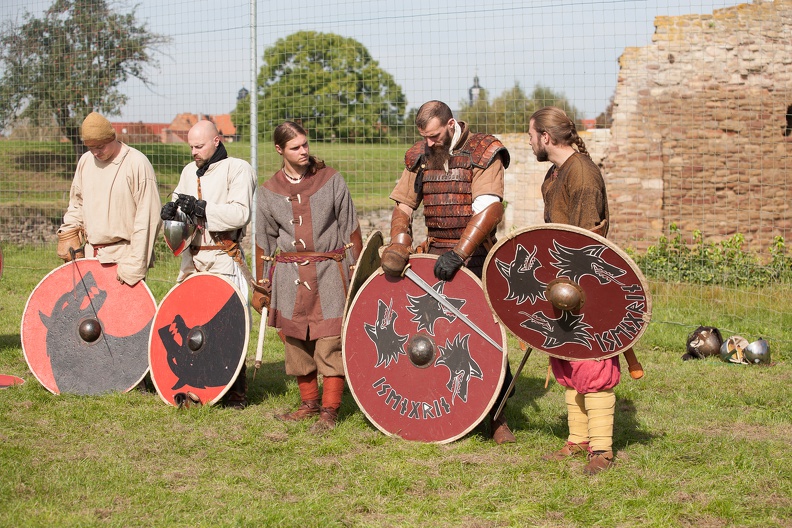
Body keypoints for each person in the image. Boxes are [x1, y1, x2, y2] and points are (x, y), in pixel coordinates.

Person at [380, 100, 516, 445]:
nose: (430, 143)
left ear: (452, 124)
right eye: (425, 137)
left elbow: (489, 209)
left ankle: (496, 418)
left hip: (473, 256)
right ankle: (446, 408)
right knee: (433, 336)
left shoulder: (485, 152)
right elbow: (404, 204)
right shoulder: (420, 155)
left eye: (436, 136)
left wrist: (460, 253)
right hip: (433, 256)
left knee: (484, 338)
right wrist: (399, 243)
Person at [253, 121, 362, 432]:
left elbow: (350, 228)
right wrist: (263, 284)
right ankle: (309, 403)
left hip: (329, 270)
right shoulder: (269, 190)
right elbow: (264, 240)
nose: (303, 151)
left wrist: (355, 269)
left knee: (330, 340)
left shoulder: (331, 180)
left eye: (305, 144)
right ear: (279, 150)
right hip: (288, 274)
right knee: (296, 341)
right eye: (295, 147)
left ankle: (329, 410)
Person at [528, 106, 618, 475]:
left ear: (546, 137)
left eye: (531, 134)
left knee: (591, 365)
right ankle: (578, 440)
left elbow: (585, 244)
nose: (530, 141)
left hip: (585, 286)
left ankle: (602, 449)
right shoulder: (557, 172)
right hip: (563, 285)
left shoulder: (581, 174)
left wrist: (573, 289)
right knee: (567, 361)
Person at [160, 119, 257, 409]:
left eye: (199, 146)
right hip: (194, 258)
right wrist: (171, 211)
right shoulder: (189, 171)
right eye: (190, 146)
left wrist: (202, 208)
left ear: (217, 140)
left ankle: (235, 392)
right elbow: (180, 205)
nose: (193, 152)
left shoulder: (238, 169)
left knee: (228, 326)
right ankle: (198, 378)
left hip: (223, 256)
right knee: (193, 324)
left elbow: (240, 214)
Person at [57, 111, 162, 286]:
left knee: (127, 313)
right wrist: (69, 231)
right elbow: (77, 203)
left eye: (100, 147)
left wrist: (135, 265)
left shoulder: (136, 163)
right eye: (91, 147)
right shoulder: (85, 162)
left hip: (124, 258)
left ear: (112, 137)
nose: (96, 153)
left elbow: (148, 218)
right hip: (90, 257)